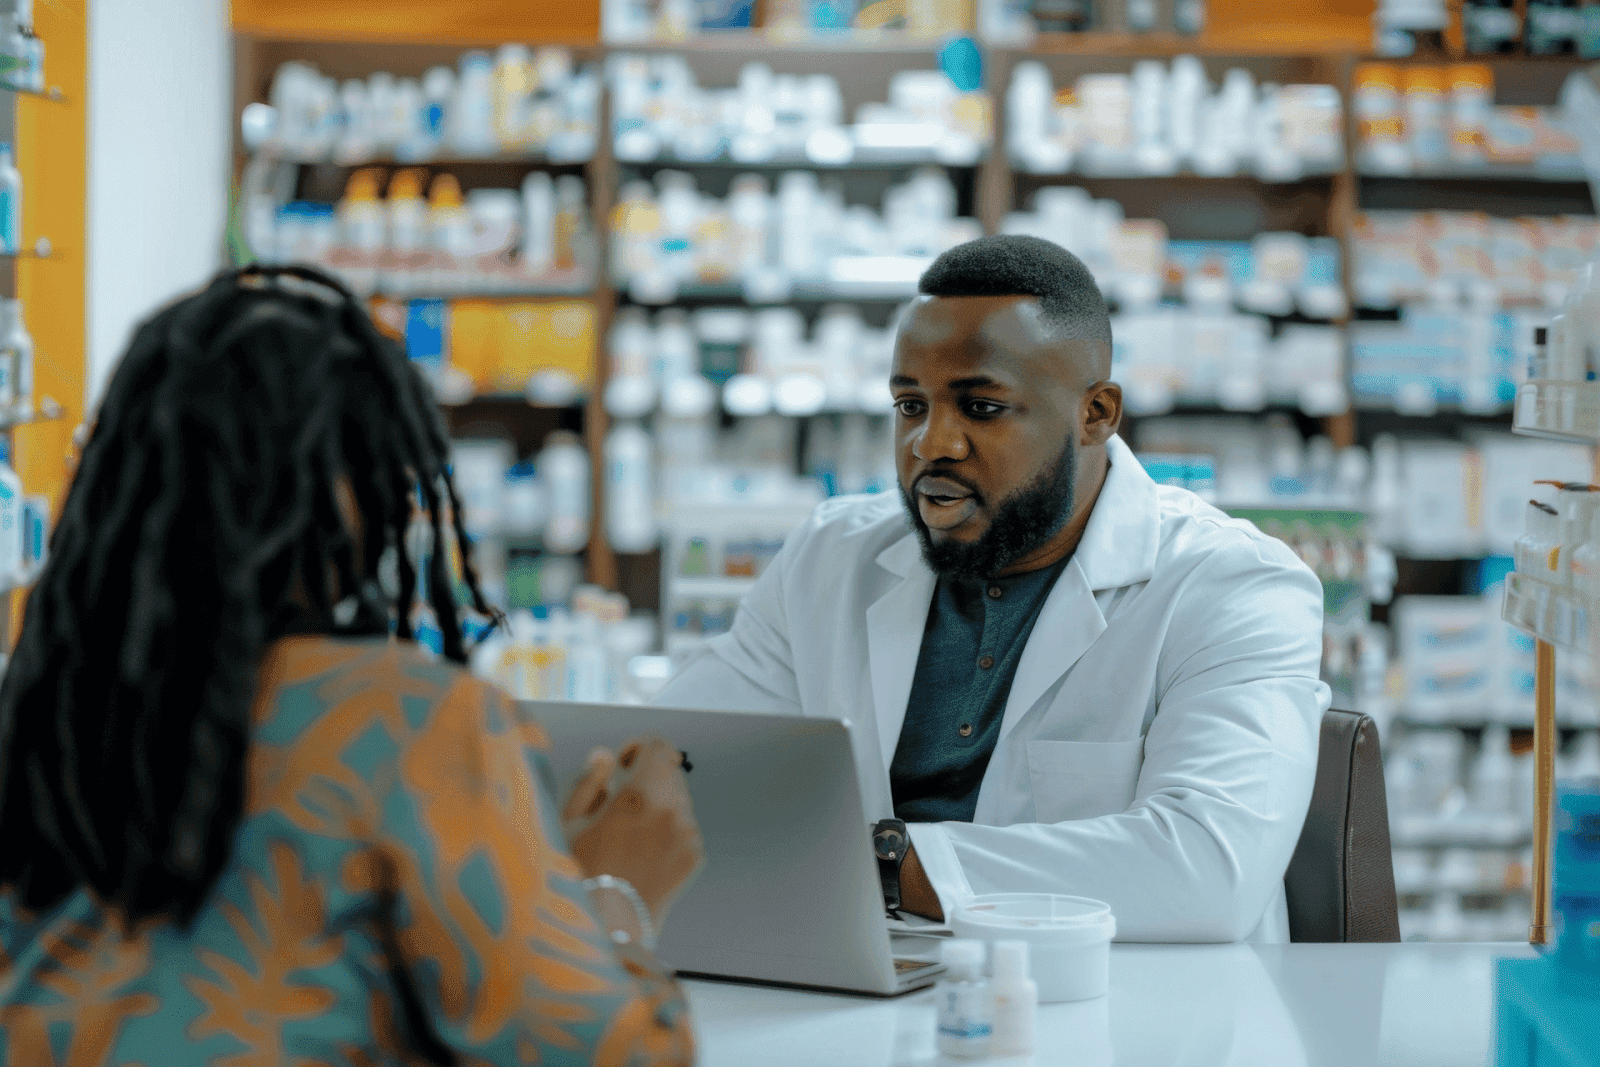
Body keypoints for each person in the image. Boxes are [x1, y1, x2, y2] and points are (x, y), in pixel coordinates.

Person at [0, 266, 703, 1065]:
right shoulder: (405, 720)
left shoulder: (44, 723)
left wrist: (524, 884)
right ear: (356, 492)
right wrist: (611, 902)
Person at [656, 235, 1331, 942]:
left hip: (1135, 1019)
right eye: (911, 405)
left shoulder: (1233, 586)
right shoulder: (833, 555)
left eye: (979, 408)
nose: (931, 443)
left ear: (1095, 413)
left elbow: (1206, 871)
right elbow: (671, 755)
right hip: (881, 1003)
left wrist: (884, 868)